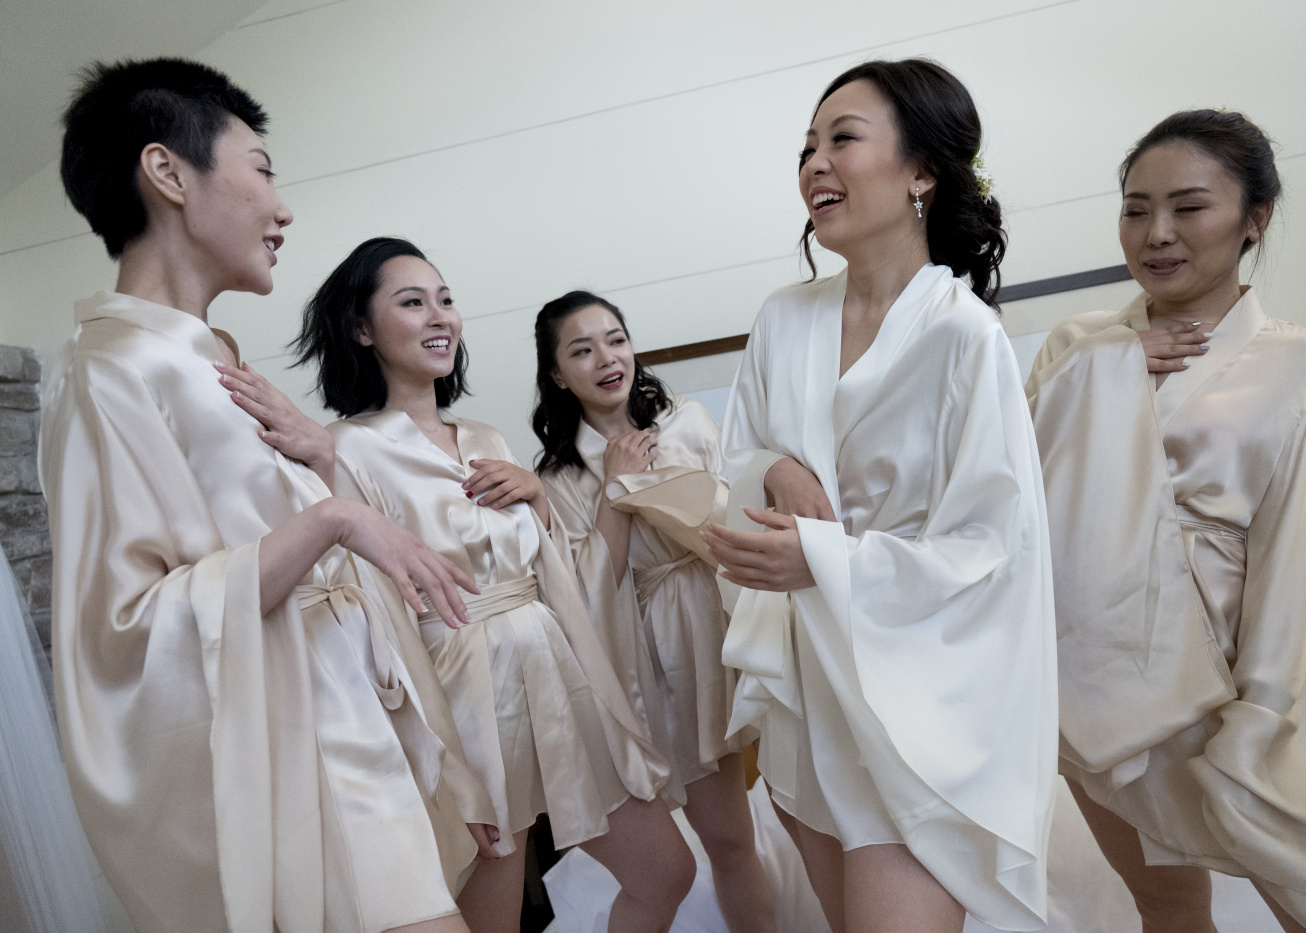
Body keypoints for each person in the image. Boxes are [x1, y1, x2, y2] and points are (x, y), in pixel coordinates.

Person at [43, 59, 484, 933]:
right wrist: (334, 517)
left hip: (353, 736)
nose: (282, 210)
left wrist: (325, 469)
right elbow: (121, 637)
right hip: (293, 771)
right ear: (167, 172)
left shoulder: (215, 363)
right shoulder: (109, 374)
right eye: (262, 169)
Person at [233, 236, 694, 933]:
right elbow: (370, 612)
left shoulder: (485, 437)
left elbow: (564, 576)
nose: (439, 316)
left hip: (553, 673)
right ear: (362, 329)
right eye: (413, 302)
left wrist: (539, 501)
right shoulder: (349, 448)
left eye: (445, 299)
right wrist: (449, 770)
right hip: (463, 700)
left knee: (666, 871)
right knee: (491, 917)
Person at [1024, 109, 1306, 933]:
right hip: (1095, 670)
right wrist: (1101, 371)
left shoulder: (1305, 362)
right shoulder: (1076, 344)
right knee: (1161, 901)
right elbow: (1009, 488)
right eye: (1135, 208)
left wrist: (1267, 709)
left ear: (1254, 218)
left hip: (1229, 675)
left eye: (1189, 207)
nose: (1157, 233)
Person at [704, 58, 1057, 933]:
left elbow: (989, 549)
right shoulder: (784, 317)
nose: (815, 164)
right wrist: (773, 471)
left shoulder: (962, 336)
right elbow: (734, 465)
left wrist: (818, 553)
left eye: (843, 140)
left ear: (923, 171)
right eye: (807, 147)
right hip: (814, 689)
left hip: (921, 703)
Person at [532, 290, 776, 933]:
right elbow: (587, 592)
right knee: (672, 857)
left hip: (715, 621)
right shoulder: (557, 477)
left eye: (615, 339)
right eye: (582, 350)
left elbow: (743, 517)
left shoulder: (687, 422)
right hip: (639, 652)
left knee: (732, 841)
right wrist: (615, 491)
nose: (607, 359)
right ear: (558, 374)